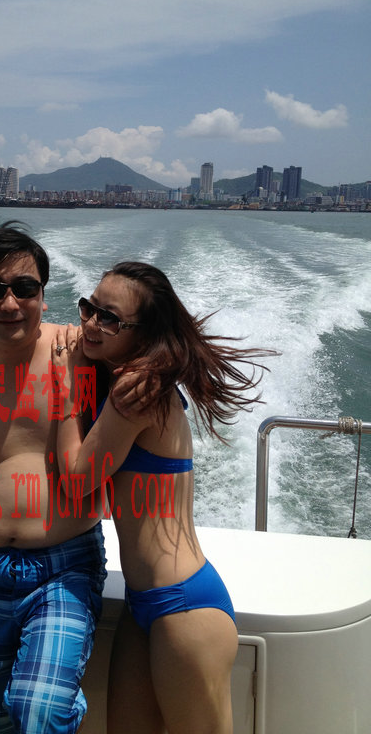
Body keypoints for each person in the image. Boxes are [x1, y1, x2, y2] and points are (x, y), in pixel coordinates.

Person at [50, 261, 274, 734]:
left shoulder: (138, 389)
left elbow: (76, 481)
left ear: (144, 333)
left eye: (110, 318)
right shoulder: (121, 374)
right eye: (89, 308)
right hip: (144, 603)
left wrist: (67, 383)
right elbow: (36, 335)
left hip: (184, 606)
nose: (91, 323)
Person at [0, 222, 110, 734]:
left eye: (25, 288)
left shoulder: (80, 355)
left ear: (43, 296)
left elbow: (148, 349)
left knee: (40, 709)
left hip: (65, 566)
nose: (9, 303)